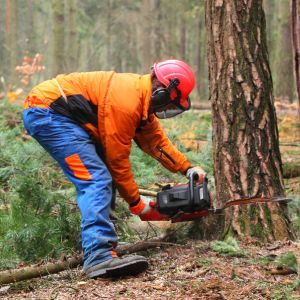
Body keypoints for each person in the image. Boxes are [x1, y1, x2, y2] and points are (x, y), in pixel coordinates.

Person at [22, 59, 206, 278]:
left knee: (100, 176)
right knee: (96, 179)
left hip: (62, 115)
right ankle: (98, 254)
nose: (167, 108)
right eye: (170, 103)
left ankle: (106, 243)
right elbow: (117, 160)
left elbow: (157, 143)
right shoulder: (127, 102)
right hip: (49, 113)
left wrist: (187, 168)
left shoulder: (141, 103)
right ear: (163, 91)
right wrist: (137, 205)